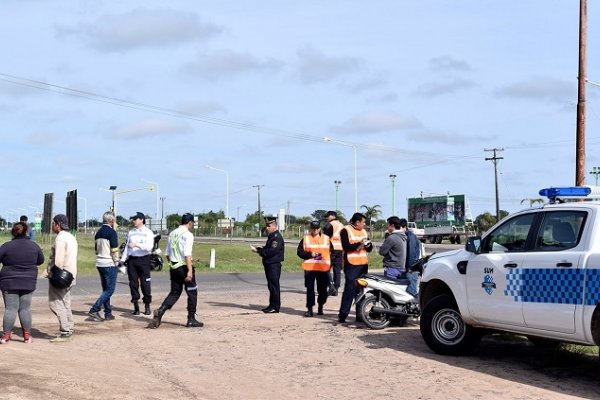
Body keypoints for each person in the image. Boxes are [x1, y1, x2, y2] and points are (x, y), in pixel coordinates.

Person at [152, 213, 203, 329]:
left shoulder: (172, 233)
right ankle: (191, 319)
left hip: (174, 267)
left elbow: (168, 253)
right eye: (192, 223)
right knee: (192, 292)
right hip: (184, 267)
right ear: (190, 222)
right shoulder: (188, 235)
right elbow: (187, 254)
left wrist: (172, 264)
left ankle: (161, 311)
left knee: (175, 292)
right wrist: (189, 270)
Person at [0, 222, 44, 344]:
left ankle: (5, 336)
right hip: (28, 281)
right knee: (25, 309)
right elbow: (40, 260)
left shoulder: (6, 246)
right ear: (26, 232)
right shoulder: (34, 246)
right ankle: (27, 336)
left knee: (10, 309)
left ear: (13, 232)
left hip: (9, 281)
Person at [46, 214, 78, 343]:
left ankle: (65, 331)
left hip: (61, 276)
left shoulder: (60, 238)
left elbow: (58, 261)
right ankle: (69, 328)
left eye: (54, 223)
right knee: (66, 303)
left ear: (58, 224)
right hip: (72, 274)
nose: (53, 226)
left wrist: (52, 274)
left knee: (55, 303)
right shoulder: (71, 237)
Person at [338, 212, 373, 323]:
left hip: (363, 264)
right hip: (352, 265)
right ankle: (343, 315)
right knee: (350, 290)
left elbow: (369, 248)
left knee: (361, 291)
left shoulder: (363, 231)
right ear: (357, 222)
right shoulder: (346, 230)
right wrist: (360, 244)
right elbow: (346, 247)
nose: (364, 224)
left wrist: (368, 245)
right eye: (363, 222)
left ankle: (360, 315)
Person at [120, 212, 155, 315]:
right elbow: (127, 247)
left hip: (144, 260)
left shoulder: (148, 232)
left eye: (135, 219)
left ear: (141, 220)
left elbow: (149, 247)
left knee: (145, 284)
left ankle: (147, 305)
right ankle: (136, 305)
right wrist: (122, 260)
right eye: (133, 219)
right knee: (133, 284)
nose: (133, 221)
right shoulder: (131, 232)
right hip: (132, 260)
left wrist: (137, 245)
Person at [88, 211, 120, 322]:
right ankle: (94, 309)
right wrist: (117, 262)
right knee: (110, 290)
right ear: (111, 220)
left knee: (105, 290)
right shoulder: (112, 233)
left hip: (99, 263)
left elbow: (96, 250)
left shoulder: (98, 233)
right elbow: (114, 250)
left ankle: (108, 313)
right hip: (109, 263)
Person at [297, 220, 331, 317]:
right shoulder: (305, 239)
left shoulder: (326, 239)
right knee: (310, 289)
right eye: (313, 228)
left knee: (322, 290)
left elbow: (332, 253)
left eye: (317, 228)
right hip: (310, 268)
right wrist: (310, 254)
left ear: (319, 228)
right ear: (310, 228)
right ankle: (310, 309)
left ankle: (320, 306)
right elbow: (299, 252)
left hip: (322, 268)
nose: (315, 230)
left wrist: (330, 264)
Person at [251, 217, 284, 313]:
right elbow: (268, 248)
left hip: (273, 265)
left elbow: (271, 251)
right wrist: (261, 248)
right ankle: (272, 305)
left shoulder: (276, 237)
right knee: (271, 286)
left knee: (274, 286)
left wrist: (259, 251)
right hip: (269, 264)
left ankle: (275, 307)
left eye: (269, 226)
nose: (267, 228)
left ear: (274, 226)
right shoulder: (272, 236)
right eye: (266, 226)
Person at [322, 211, 343, 296]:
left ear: (333, 216)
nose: (326, 218)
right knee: (337, 270)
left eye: (328, 216)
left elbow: (324, 237)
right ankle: (336, 288)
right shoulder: (342, 225)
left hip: (331, 248)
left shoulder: (330, 225)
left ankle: (330, 286)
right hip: (340, 248)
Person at [400, 218, 422, 297]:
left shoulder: (410, 236)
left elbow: (411, 252)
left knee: (411, 292)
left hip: (411, 268)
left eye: (399, 227)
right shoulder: (406, 235)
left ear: (404, 227)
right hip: (410, 267)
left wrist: (410, 267)